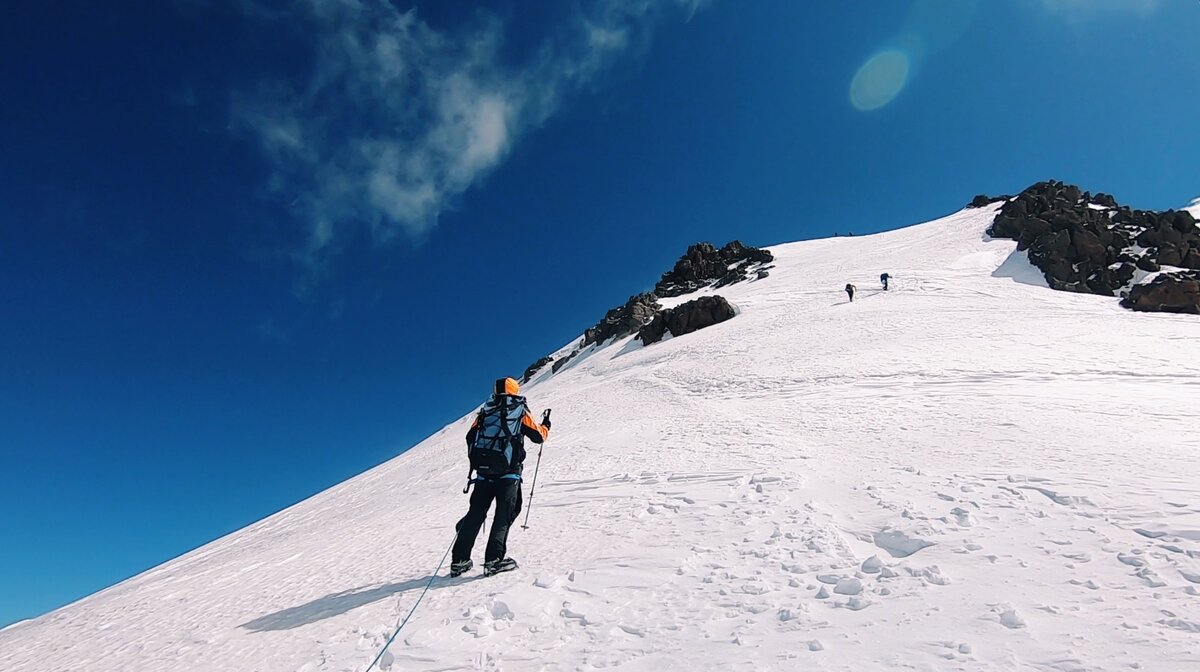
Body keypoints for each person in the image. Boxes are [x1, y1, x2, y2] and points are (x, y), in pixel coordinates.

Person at [451, 377, 550, 577]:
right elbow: (538, 436)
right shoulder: (518, 410)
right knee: (504, 514)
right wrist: (546, 425)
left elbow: (470, 437)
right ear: (515, 390)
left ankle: (459, 561)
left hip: (483, 473)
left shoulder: (486, 411)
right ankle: (494, 559)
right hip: (508, 473)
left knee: (475, 513)